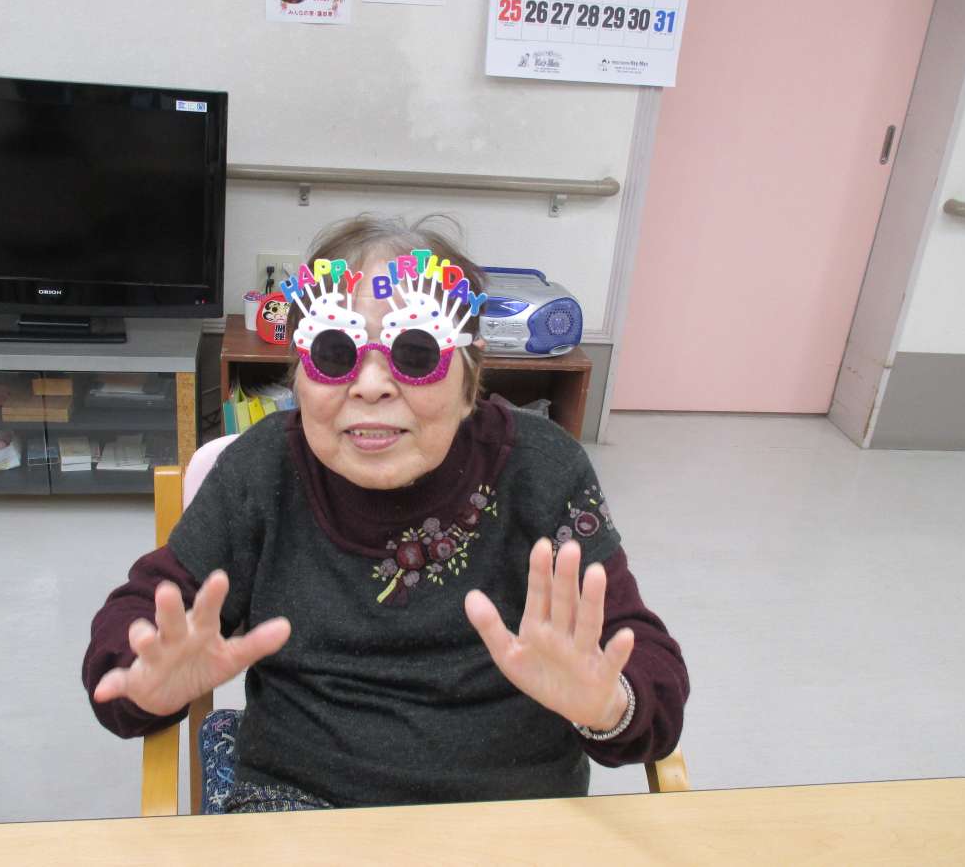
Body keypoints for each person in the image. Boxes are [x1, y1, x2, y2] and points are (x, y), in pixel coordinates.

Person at [83, 214, 689, 813]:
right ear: (297, 377)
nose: (371, 385)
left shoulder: (544, 472)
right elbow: (139, 616)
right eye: (334, 351)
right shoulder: (260, 473)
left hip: (511, 811)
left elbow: (648, 669)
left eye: (416, 351)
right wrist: (145, 680)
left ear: (471, 379)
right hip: (298, 801)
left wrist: (608, 705)